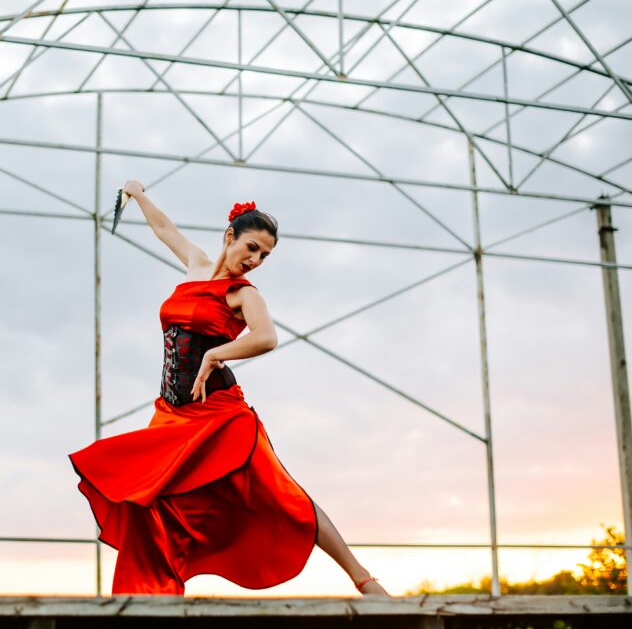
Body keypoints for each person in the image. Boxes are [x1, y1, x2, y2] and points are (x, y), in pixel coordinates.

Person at [68, 180, 390, 598]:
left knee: (284, 496)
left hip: (220, 414)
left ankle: (363, 579)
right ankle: (153, 598)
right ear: (229, 237)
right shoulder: (196, 264)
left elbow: (266, 337)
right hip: (172, 413)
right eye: (252, 248)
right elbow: (165, 229)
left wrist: (215, 354)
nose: (255, 260)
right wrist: (138, 194)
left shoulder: (243, 294)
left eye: (264, 256)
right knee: (147, 499)